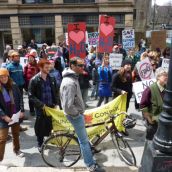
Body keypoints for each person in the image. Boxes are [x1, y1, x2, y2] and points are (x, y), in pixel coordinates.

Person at [60, 57, 105, 172]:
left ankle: (89, 157)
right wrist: (77, 115)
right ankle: (90, 165)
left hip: (76, 114)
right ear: (72, 66)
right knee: (84, 142)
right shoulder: (69, 82)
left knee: (83, 139)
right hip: (74, 115)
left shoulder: (73, 78)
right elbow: (68, 106)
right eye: (80, 65)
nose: (82, 68)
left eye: (83, 65)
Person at [28, 59, 59, 152]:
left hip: (51, 107)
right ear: (40, 67)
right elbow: (31, 96)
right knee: (40, 126)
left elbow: (56, 92)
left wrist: (56, 103)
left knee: (49, 124)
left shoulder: (52, 78)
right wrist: (41, 105)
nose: (48, 69)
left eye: (49, 67)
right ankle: (40, 143)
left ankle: (47, 141)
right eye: (46, 67)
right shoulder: (34, 80)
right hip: (41, 108)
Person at [0, 68, 25, 161]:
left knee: (16, 134)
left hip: (15, 114)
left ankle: (17, 150)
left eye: (5, 76)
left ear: (8, 76)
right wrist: (3, 116)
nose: (3, 79)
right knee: (2, 139)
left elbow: (20, 98)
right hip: (3, 117)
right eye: (1, 77)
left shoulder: (14, 85)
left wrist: (22, 110)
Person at [140, 67, 168, 140]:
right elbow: (143, 105)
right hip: (153, 122)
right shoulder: (149, 89)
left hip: (163, 122)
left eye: (167, 75)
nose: (167, 77)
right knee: (150, 141)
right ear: (158, 77)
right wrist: (149, 119)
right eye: (165, 75)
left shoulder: (167, 88)